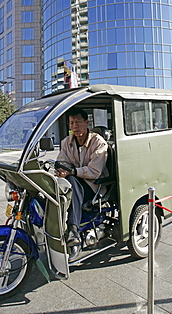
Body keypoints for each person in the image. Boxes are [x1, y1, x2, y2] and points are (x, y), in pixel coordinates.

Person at [56, 108, 109, 261]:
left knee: (71, 182)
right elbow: (62, 161)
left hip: (94, 186)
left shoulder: (98, 142)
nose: (75, 126)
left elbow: (94, 171)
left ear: (87, 123)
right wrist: (61, 170)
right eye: (72, 123)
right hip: (74, 183)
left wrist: (71, 172)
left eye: (78, 122)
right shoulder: (66, 141)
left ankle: (73, 231)